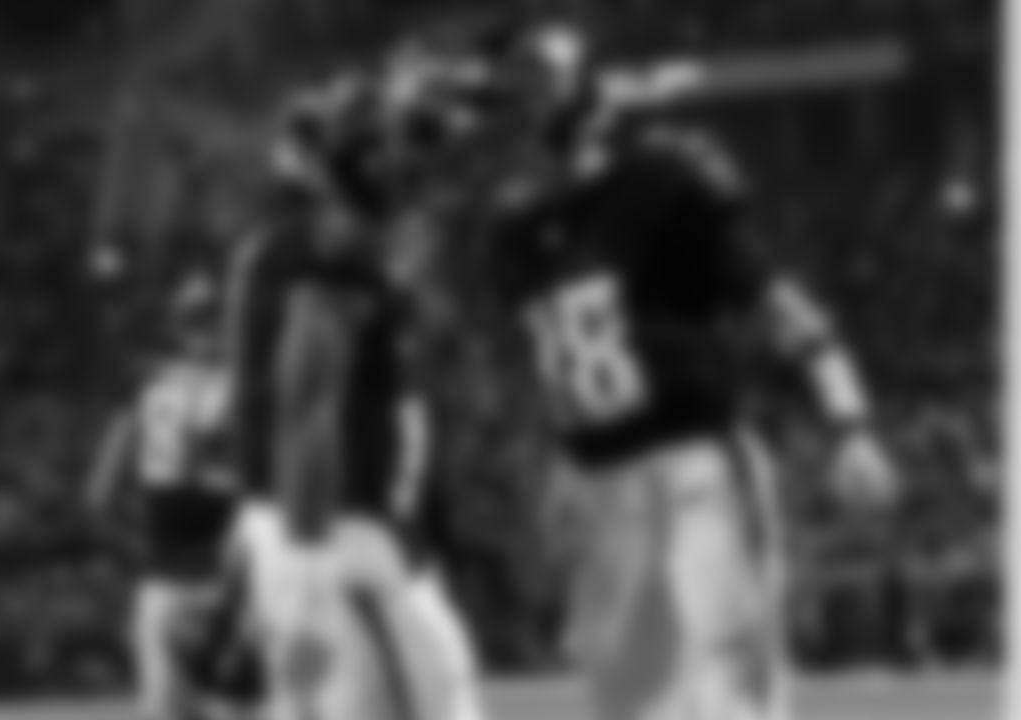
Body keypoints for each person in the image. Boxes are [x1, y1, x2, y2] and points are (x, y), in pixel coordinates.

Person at [467, 24, 899, 720]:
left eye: (531, 87)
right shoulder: (514, 231)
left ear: (581, 92)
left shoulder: (659, 181)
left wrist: (848, 418)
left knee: (728, 695)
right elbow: (555, 364)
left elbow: (774, 301)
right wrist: (559, 461)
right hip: (599, 486)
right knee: (631, 706)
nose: (517, 110)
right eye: (509, 94)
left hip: (692, 470)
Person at [218, 77, 488, 720]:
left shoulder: (310, 247)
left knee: (408, 692)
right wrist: (309, 556)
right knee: (433, 695)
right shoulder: (321, 251)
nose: (405, 174)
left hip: (315, 523)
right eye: (385, 153)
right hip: (327, 527)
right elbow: (303, 401)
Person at [85, 271, 239, 720]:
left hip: (165, 580)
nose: (207, 331)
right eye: (206, 321)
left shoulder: (146, 390)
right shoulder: (253, 389)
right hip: (232, 583)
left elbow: (97, 497)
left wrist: (137, 558)